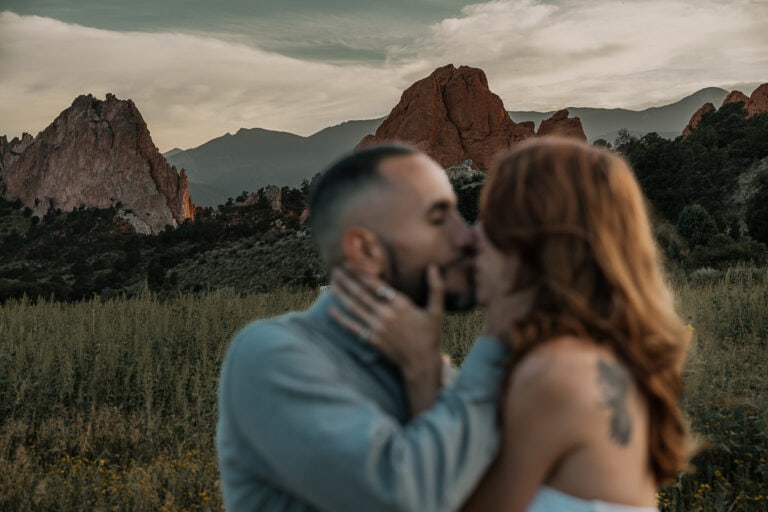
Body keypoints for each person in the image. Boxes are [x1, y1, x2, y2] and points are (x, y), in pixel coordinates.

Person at [332, 137, 694, 512]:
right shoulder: (591, 356)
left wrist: (433, 358)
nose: (472, 239)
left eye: (489, 221)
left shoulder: (555, 373)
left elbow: (447, 500)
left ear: (529, 246)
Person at [216, 144, 509, 511]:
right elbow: (402, 496)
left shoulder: (427, 366)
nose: (467, 238)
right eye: (438, 219)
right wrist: (504, 325)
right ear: (367, 251)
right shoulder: (271, 355)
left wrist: (424, 368)